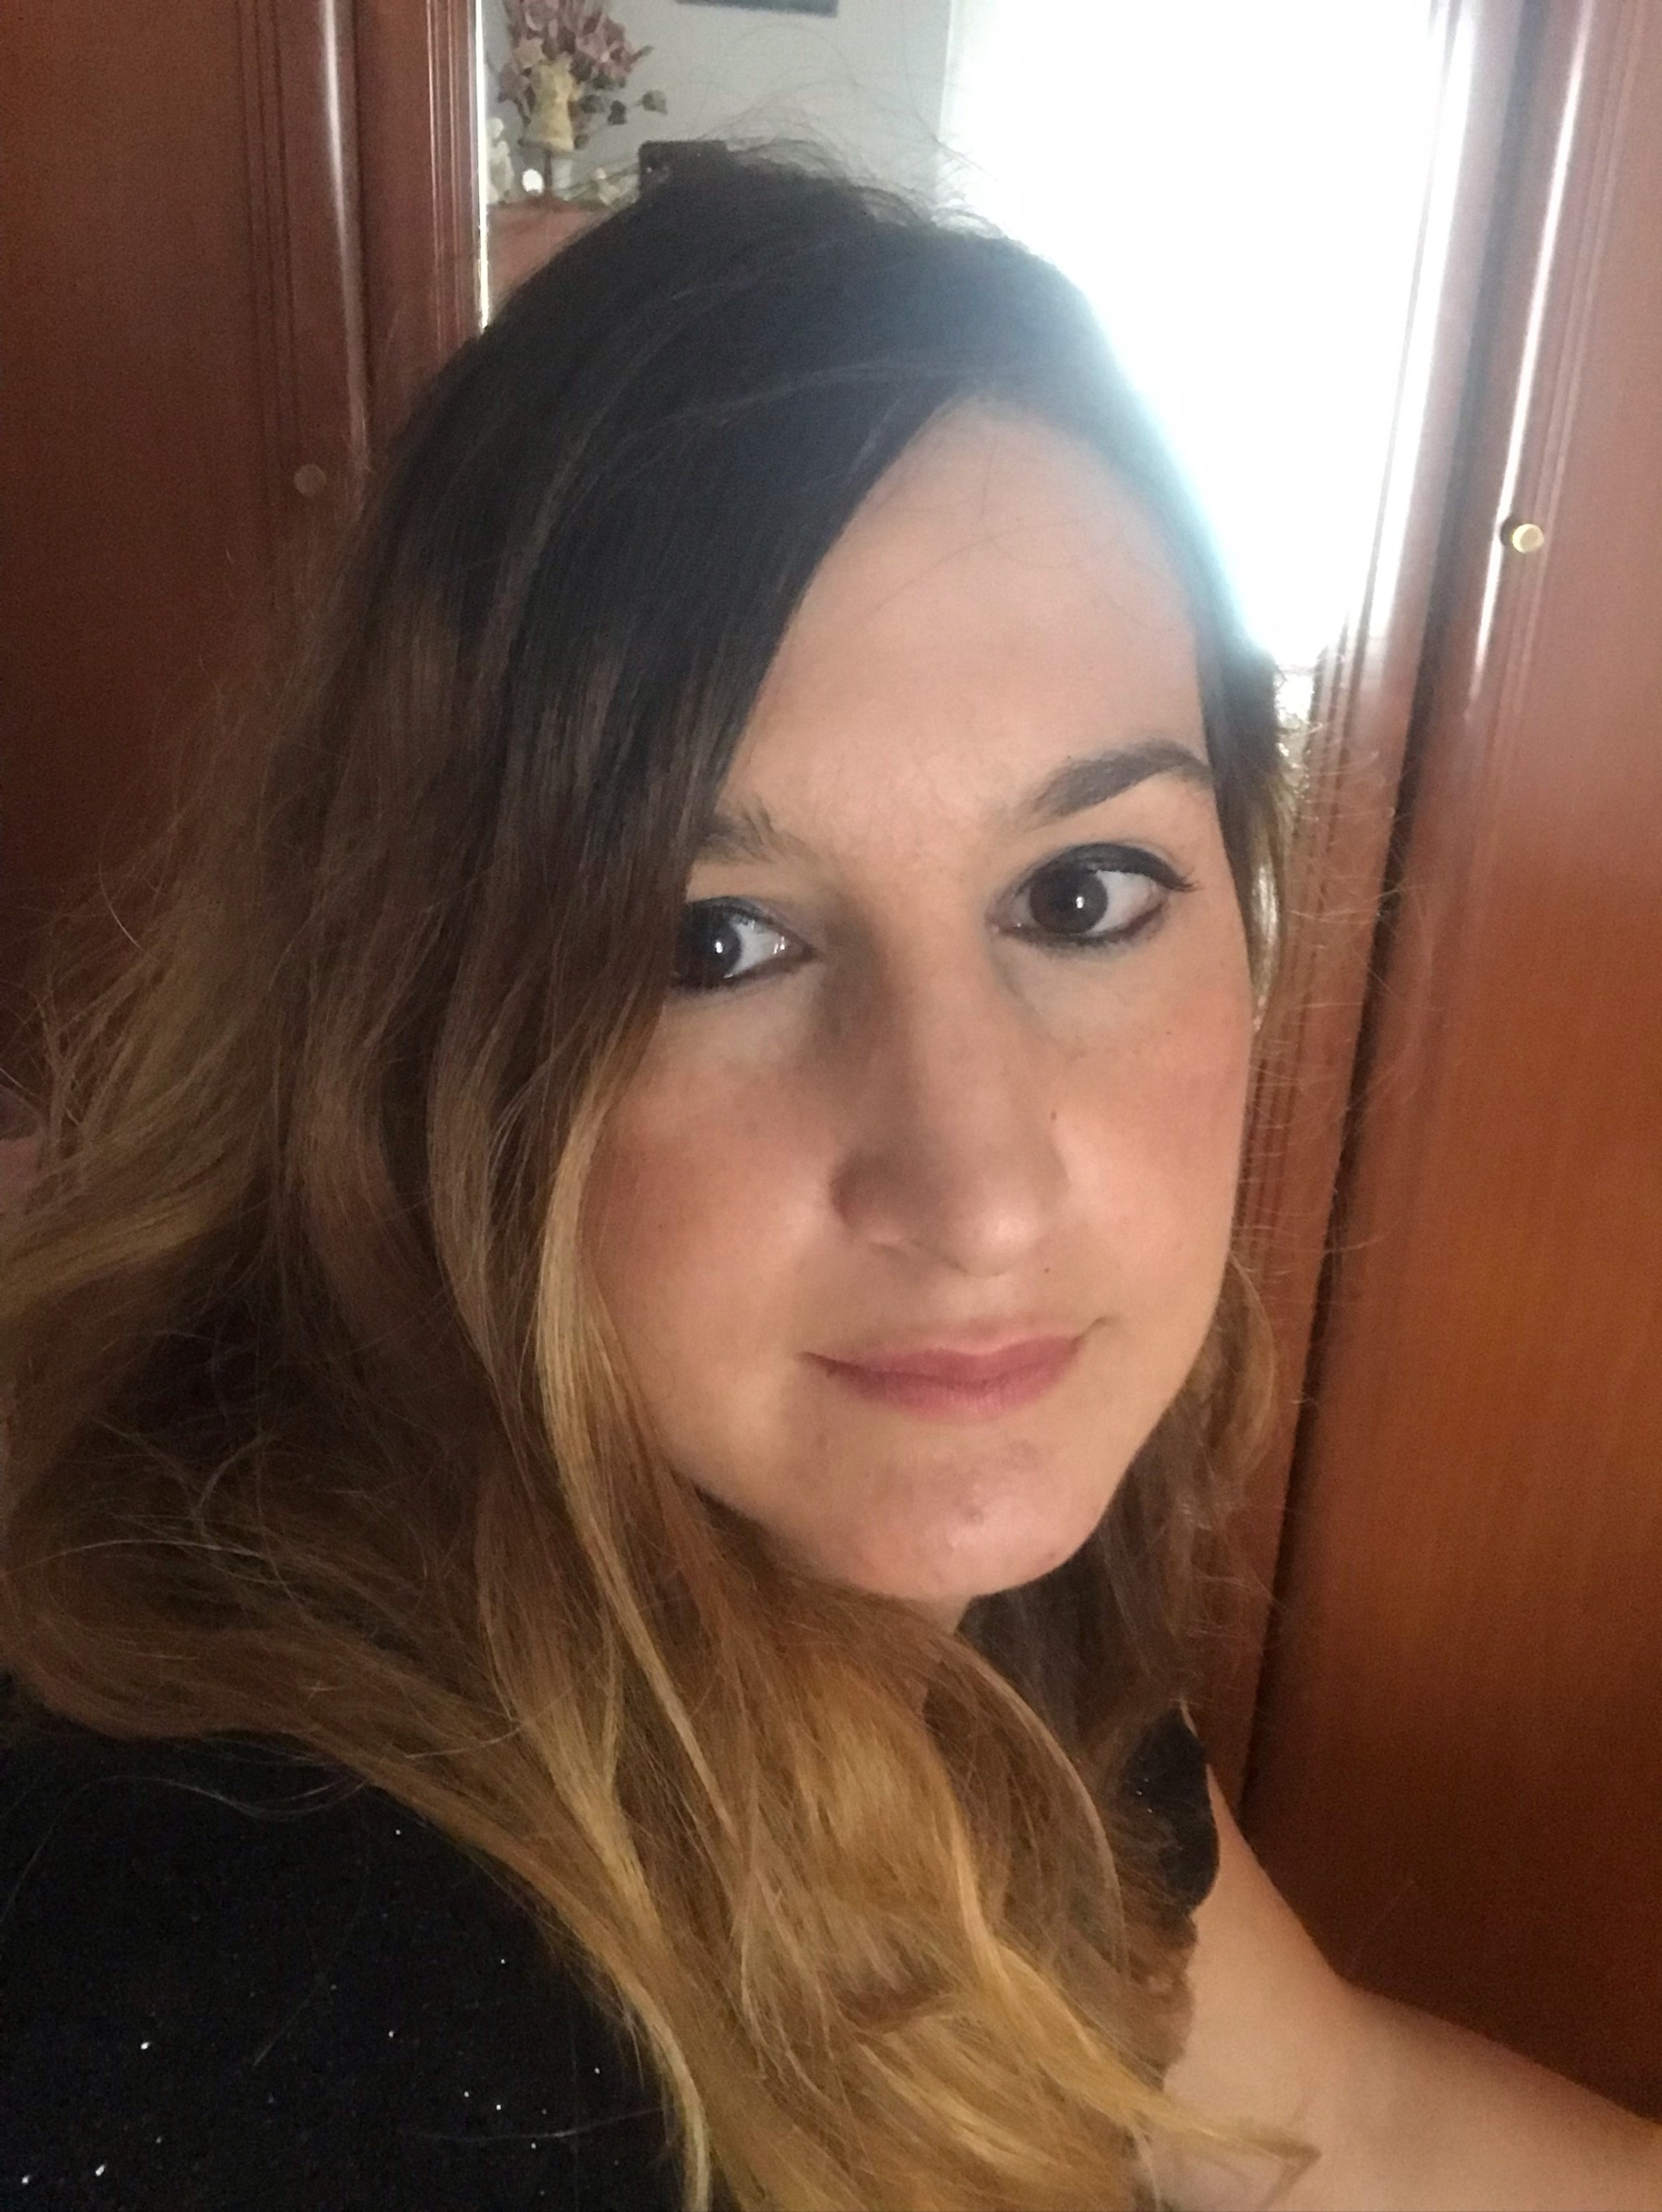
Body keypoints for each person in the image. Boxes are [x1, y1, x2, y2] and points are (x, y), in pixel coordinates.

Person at [0, 149, 1656, 2212]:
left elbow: (1346, 2122)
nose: (979, 1195)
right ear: (419, 1031)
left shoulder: (929, 1594)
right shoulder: (276, 1975)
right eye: (715, 939)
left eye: (1082, 892)